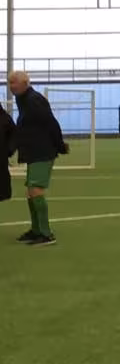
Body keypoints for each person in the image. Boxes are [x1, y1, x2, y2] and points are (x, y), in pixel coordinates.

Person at [8, 72, 69, 248]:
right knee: (30, 192)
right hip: (33, 152)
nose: (11, 86)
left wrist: (59, 145)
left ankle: (46, 234)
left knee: (35, 190)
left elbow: (51, 123)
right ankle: (36, 230)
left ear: (26, 83)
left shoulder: (34, 99)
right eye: (9, 82)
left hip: (42, 151)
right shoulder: (23, 100)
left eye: (14, 82)